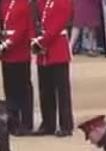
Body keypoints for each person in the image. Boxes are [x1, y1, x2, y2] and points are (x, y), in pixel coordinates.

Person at [0, 0, 34, 136]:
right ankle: (13, 122)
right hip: (7, 54)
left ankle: (26, 123)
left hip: (20, 52)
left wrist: (6, 44)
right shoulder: (3, 4)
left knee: (23, 90)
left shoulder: (24, 4)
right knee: (10, 90)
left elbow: (23, 29)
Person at [32, 0, 75, 137]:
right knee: (45, 90)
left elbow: (57, 24)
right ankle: (48, 124)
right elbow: (35, 20)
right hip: (43, 51)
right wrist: (35, 39)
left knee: (62, 91)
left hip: (57, 49)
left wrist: (42, 41)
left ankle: (66, 125)